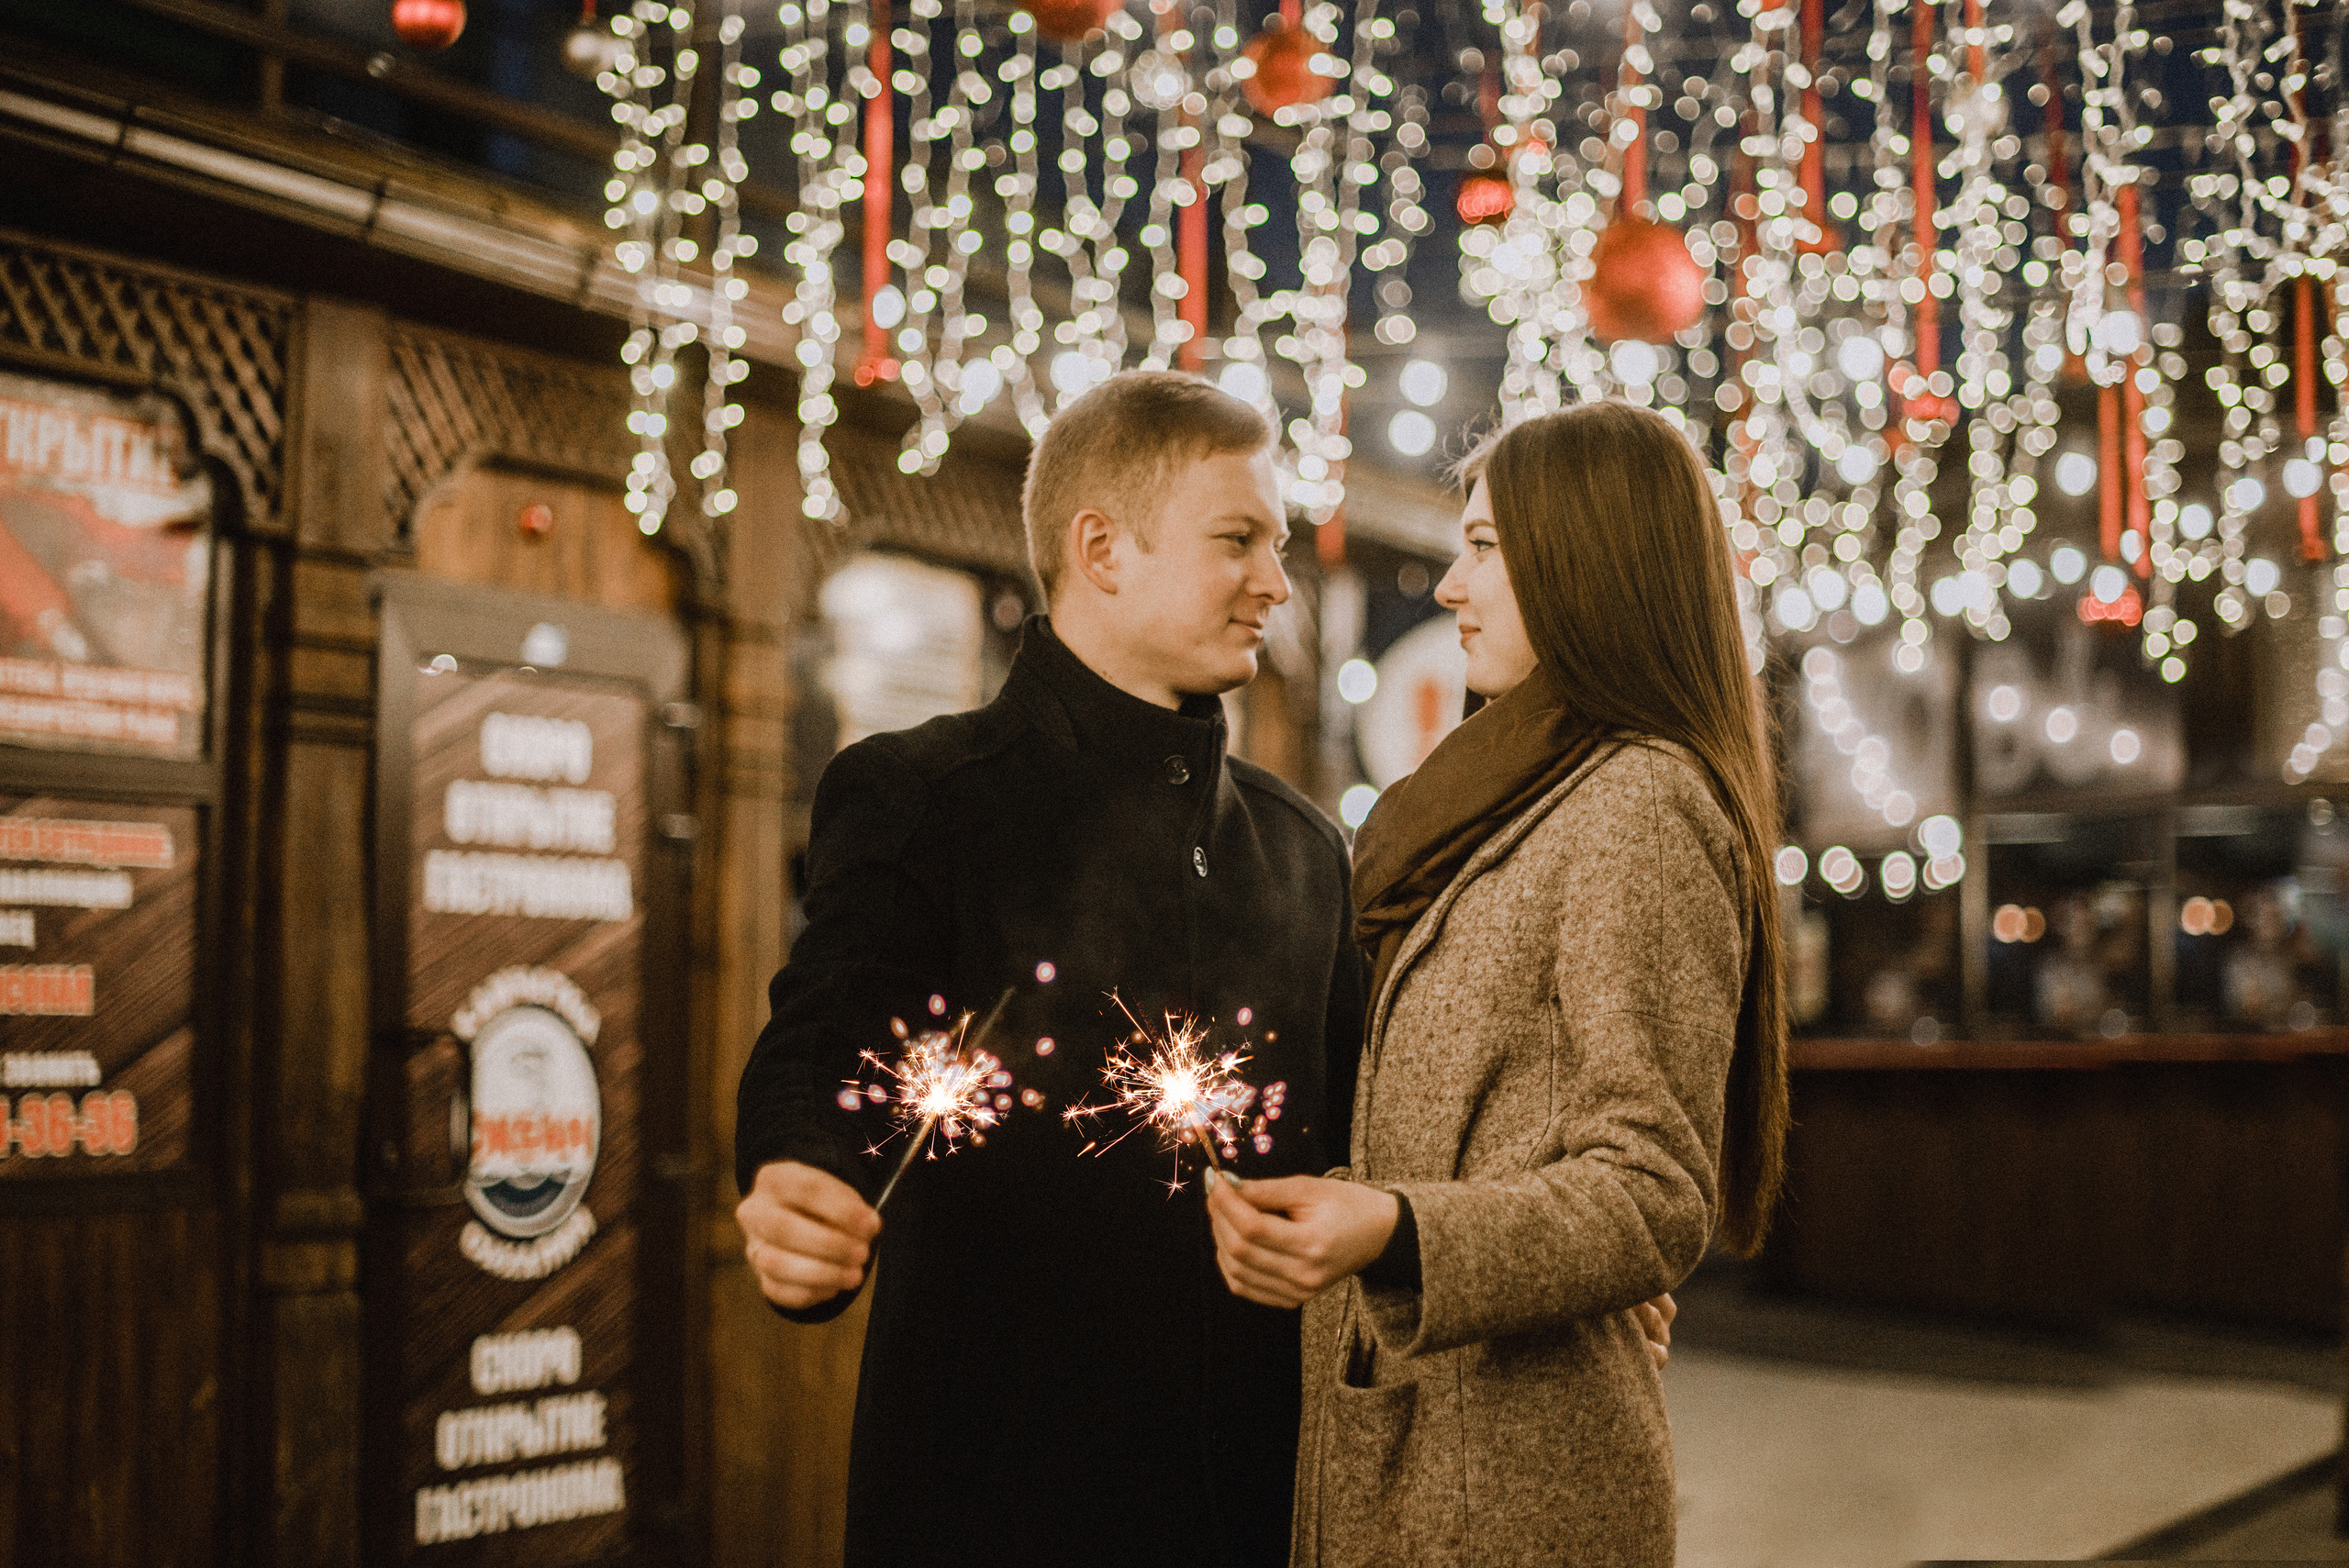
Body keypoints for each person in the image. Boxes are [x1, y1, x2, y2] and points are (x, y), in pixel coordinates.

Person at [732, 370, 1367, 1567]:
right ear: (1102, 548)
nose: (1275, 585)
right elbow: (824, 1034)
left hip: (1259, 1498)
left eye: (1276, 546)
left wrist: (1519, 1254)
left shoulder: (1304, 846)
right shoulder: (924, 794)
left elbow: (1382, 1134)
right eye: (1238, 539)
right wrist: (794, 1173)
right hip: (992, 1492)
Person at [1206, 402, 1790, 1568]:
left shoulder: (1638, 802)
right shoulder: (1506, 796)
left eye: (1482, 548)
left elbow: (1653, 1188)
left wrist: (1396, 1226)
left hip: (1506, 1484)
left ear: (1583, 565)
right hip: (1431, 1446)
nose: (1450, 589)